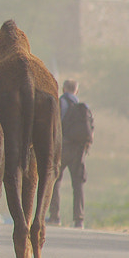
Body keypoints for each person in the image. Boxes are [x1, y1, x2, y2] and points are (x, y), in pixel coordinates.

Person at [49, 79, 92, 228]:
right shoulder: (83, 107)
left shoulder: (60, 103)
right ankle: (79, 219)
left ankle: (55, 217)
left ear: (63, 89)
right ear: (76, 91)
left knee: (55, 181)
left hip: (62, 147)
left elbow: (54, 125)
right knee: (78, 184)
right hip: (79, 150)